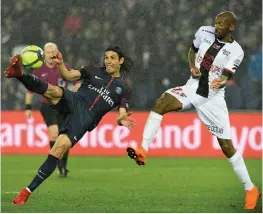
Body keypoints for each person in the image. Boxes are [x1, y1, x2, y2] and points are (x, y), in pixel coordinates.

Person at [126, 11, 261, 210]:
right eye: (216, 22)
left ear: (231, 27)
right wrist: (192, 66)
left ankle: (251, 189)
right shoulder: (203, 32)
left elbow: (227, 75)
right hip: (193, 86)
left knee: (227, 146)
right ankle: (143, 150)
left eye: (222, 24)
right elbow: (192, 50)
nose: (217, 27)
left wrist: (221, 81)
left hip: (212, 98)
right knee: (161, 103)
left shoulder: (236, 51)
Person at [5, 45, 136, 205]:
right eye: (106, 57)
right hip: (75, 100)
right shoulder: (92, 70)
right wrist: (60, 63)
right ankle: (19, 74)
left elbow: (122, 111)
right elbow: (68, 76)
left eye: (112, 58)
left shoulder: (124, 89)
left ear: (121, 61)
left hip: (86, 118)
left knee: (58, 148)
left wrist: (121, 118)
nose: (108, 61)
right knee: (54, 91)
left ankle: (26, 192)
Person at [25, 42, 79, 177]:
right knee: (54, 133)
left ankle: (63, 166)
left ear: (57, 52)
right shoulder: (38, 70)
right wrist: (28, 107)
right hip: (47, 106)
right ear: (43, 54)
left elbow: (76, 83)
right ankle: (57, 164)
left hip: (64, 106)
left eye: (52, 52)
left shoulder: (64, 67)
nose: (50, 54)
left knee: (65, 138)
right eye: (47, 52)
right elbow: (29, 91)